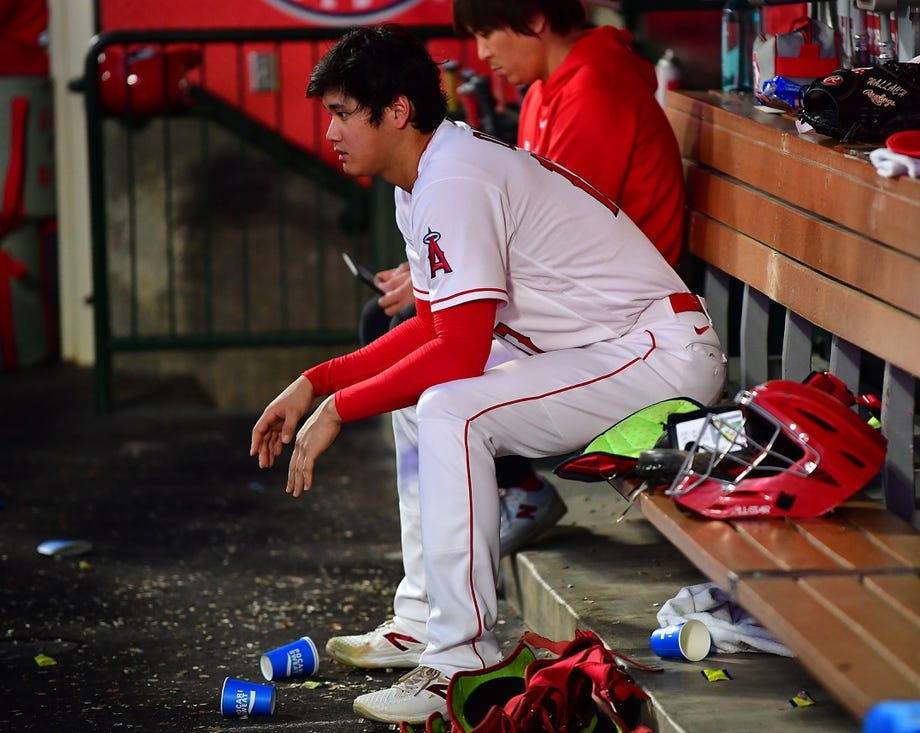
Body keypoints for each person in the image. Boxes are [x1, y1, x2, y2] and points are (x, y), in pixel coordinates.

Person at [250, 25, 724, 724]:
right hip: (596, 348)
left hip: (656, 352)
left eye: (344, 113)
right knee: (422, 403)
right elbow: (435, 329)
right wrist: (316, 381)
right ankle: (423, 617)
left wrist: (339, 408)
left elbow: (460, 353)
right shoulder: (422, 178)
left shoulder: (455, 178)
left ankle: (460, 659)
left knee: (449, 406)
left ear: (398, 111)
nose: (332, 132)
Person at [334, 2, 688, 671]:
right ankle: (422, 615)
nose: (481, 51)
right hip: (571, 326)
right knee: (414, 382)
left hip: (620, 331)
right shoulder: (545, 93)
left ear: (533, 19)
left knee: (440, 388)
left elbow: (561, 236)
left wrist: (447, 274)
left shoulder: (597, 85)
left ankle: (467, 631)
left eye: (488, 31)